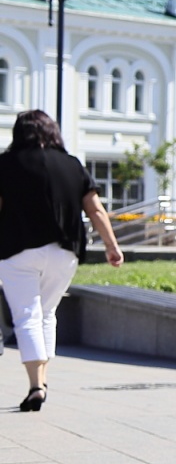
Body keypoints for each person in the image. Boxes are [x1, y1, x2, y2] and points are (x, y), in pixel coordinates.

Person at [0, 110, 125, 411]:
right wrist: (112, 246)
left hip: (18, 250)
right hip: (64, 252)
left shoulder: (5, 164)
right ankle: (41, 381)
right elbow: (95, 209)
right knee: (47, 313)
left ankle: (34, 385)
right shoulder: (72, 165)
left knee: (27, 315)